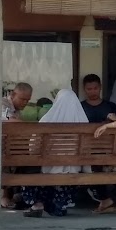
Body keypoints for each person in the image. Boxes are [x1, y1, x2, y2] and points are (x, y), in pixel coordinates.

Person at [21, 89, 84, 218]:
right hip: (74, 168)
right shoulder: (84, 121)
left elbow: (33, 149)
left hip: (48, 168)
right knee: (66, 171)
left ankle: (37, 204)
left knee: (29, 169)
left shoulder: (47, 120)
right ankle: (59, 206)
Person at [0, 82, 32, 209]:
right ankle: (2, 195)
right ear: (13, 95)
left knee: (26, 156)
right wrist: (29, 126)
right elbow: (8, 122)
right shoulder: (2, 104)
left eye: (28, 100)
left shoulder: (16, 110)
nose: (25, 103)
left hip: (4, 147)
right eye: (22, 99)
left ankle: (16, 193)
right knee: (8, 155)